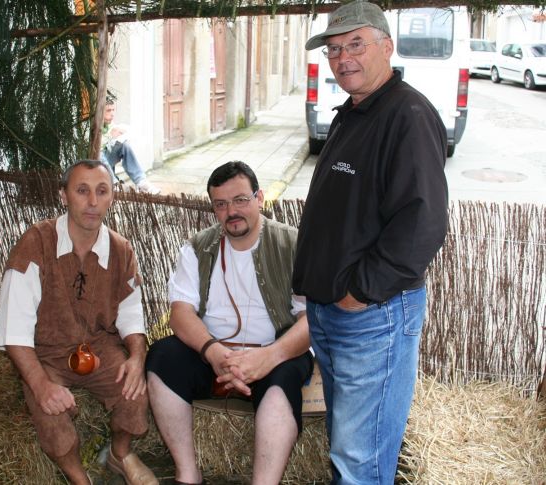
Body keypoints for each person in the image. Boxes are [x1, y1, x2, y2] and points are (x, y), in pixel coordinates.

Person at [292, 1, 449, 484]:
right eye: (334, 49)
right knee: (348, 448)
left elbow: (422, 223)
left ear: (387, 46)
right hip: (334, 314)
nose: (343, 59)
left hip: (371, 317)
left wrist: (359, 292)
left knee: (359, 463)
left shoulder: (408, 115)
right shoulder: (353, 113)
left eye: (355, 44)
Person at [146, 161, 314, 485]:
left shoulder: (292, 244)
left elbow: (313, 321)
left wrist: (269, 357)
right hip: (214, 355)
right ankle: (188, 474)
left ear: (259, 198)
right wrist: (213, 352)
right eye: (220, 204)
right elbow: (179, 313)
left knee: (283, 380)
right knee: (162, 357)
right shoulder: (198, 247)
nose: (231, 211)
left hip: (273, 354)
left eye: (240, 200)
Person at [0, 160, 158, 485]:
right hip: (47, 353)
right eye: (82, 191)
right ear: (63, 195)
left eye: (102, 191)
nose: (93, 202)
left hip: (99, 347)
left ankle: (120, 453)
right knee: (51, 415)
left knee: (135, 392)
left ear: (113, 197)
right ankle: (78, 476)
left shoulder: (121, 250)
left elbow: (131, 315)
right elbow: (14, 329)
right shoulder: (35, 243)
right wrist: (41, 385)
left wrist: (138, 358)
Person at [102, 99, 161, 195]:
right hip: (94, 162)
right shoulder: (92, 124)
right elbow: (94, 148)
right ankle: (113, 184)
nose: (112, 114)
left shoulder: (110, 123)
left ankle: (141, 182)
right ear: (100, 111)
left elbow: (111, 141)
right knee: (100, 154)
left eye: (113, 110)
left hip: (106, 160)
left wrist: (119, 136)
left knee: (125, 145)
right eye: (108, 110)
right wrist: (110, 137)